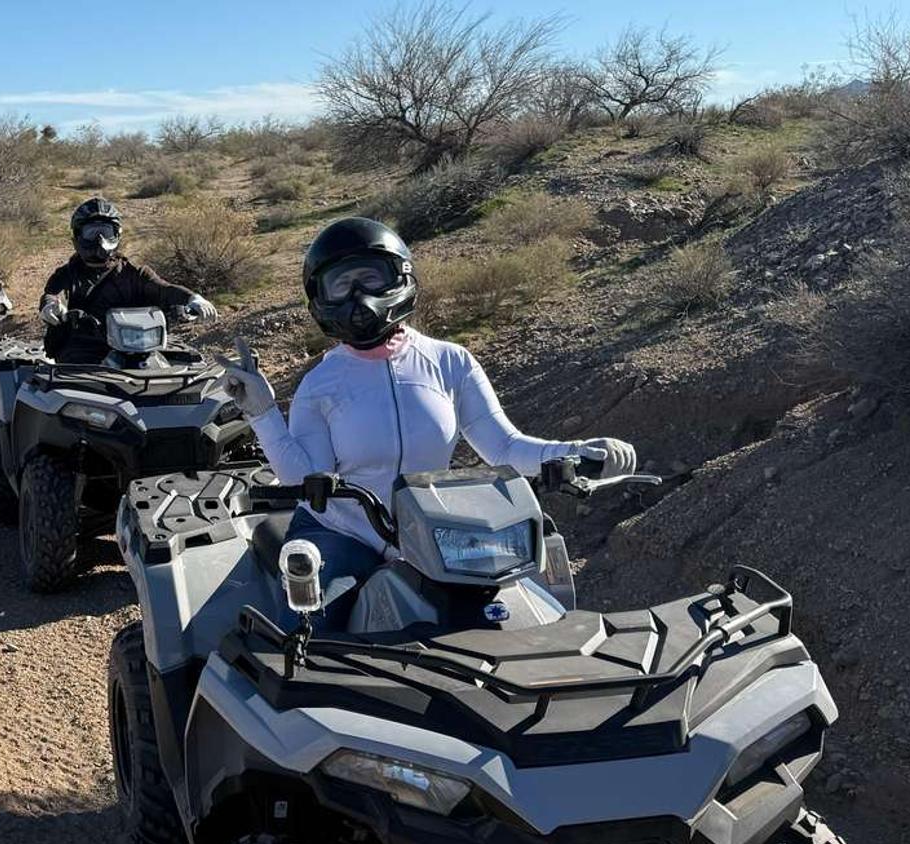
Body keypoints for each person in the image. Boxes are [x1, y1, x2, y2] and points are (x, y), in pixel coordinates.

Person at [215, 217, 637, 629]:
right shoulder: (320, 384)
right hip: (344, 533)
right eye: (341, 284)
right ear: (320, 299)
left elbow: (505, 448)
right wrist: (263, 412)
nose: (358, 295)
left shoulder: (451, 362)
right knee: (309, 633)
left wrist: (576, 452)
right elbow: (305, 480)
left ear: (399, 276)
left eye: (369, 278)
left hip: (438, 532)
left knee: (530, 617)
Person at [38, 197, 218, 363]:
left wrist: (193, 298)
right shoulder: (66, 274)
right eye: (92, 232)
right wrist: (51, 306)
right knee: (74, 382)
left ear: (116, 234)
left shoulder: (134, 272)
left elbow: (164, 289)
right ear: (77, 237)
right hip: (83, 348)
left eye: (105, 231)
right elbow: (54, 294)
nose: (99, 239)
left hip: (137, 345)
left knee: (182, 365)